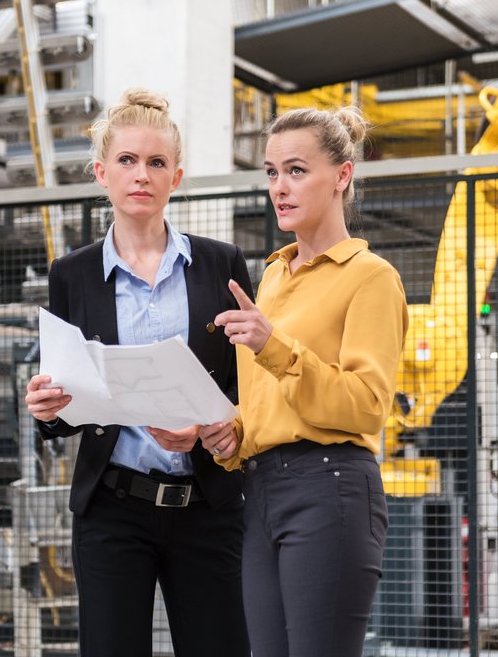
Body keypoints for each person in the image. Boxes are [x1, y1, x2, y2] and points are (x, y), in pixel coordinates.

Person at [24, 88, 251, 657]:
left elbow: (246, 378)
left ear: (176, 177)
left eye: (156, 162)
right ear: (102, 172)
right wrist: (47, 409)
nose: (141, 174)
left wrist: (214, 425)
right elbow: (66, 400)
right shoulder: (71, 275)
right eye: (127, 160)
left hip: (207, 505)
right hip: (112, 510)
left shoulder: (222, 264)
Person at [200, 106, 409, 657]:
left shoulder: (371, 278)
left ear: (342, 176)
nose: (279, 187)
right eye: (271, 172)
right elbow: (270, 406)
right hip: (261, 489)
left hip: (331, 487)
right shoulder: (269, 277)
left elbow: (365, 406)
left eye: (296, 170)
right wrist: (230, 436)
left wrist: (274, 346)